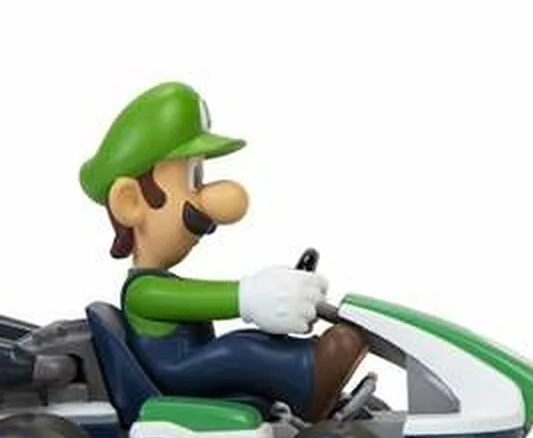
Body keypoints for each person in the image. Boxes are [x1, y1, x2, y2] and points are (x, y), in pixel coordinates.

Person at [79, 81, 366, 419]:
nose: (209, 200)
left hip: (188, 367)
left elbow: (202, 299)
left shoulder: (159, 282)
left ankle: (307, 373)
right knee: (237, 350)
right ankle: (309, 376)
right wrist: (252, 296)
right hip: (177, 375)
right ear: (130, 202)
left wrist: (275, 302)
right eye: (192, 180)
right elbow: (211, 299)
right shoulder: (144, 292)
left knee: (246, 343)